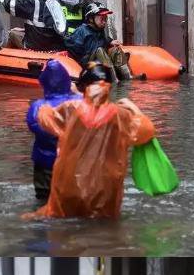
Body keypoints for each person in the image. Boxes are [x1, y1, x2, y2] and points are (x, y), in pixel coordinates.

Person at [23, 61, 156, 220]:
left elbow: (43, 119)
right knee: (105, 222)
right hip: (106, 184)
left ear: (83, 86)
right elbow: (145, 130)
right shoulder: (120, 114)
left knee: (59, 215)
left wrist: (47, 105)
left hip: (72, 179)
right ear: (110, 86)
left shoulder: (70, 108)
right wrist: (133, 108)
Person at [26, 59, 82, 204]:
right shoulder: (79, 102)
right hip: (73, 164)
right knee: (72, 201)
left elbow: (33, 125)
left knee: (43, 201)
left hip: (44, 164)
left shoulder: (38, 107)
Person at [0, 0, 66, 52]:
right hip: (56, 49)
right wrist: (25, 29)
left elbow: (9, 5)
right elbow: (47, 26)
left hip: (35, 49)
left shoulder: (32, 2)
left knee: (12, 33)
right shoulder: (57, 0)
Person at [65, 2, 132, 81]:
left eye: (105, 18)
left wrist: (110, 41)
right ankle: (114, 79)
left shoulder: (99, 29)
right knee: (99, 50)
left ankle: (128, 76)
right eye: (102, 19)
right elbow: (71, 45)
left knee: (116, 50)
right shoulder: (81, 31)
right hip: (87, 63)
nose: (104, 21)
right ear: (91, 19)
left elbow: (102, 39)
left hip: (100, 60)